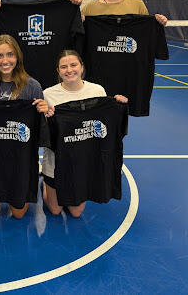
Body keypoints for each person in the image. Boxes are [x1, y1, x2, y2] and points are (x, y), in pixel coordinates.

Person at [0, 34, 49, 219]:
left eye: (10, 55)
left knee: (18, 214)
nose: (5, 61)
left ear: (17, 57)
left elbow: (40, 128)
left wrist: (44, 111)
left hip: (21, 157)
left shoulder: (32, 87)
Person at [41, 49, 128, 217]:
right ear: (58, 71)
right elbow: (44, 133)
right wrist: (47, 118)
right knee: (55, 210)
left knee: (75, 212)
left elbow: (108, 125)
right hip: (57, 161)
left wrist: (118, 105)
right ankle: (44, 184)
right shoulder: (48, 94)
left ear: (81, 67)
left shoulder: (97, 91)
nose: (69, 70)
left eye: (73, 65)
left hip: (85, 159)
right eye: (64, 67)